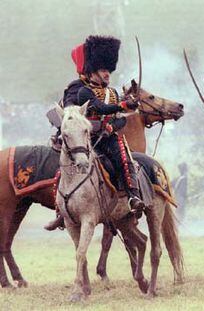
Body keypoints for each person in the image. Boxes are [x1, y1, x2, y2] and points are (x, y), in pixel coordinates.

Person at [44, 35, 145, 231]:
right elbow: (97, 108)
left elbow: (120, 118)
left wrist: (113, 125)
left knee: (125, 160)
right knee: (65, 168)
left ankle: (133, 197)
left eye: (108, 70)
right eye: (103, 70)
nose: (107, 74)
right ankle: (61, 211)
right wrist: (122, 104)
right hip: (84, 138)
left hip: (107, 138)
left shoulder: (113, 93)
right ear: (93, 71)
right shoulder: (82, 91)